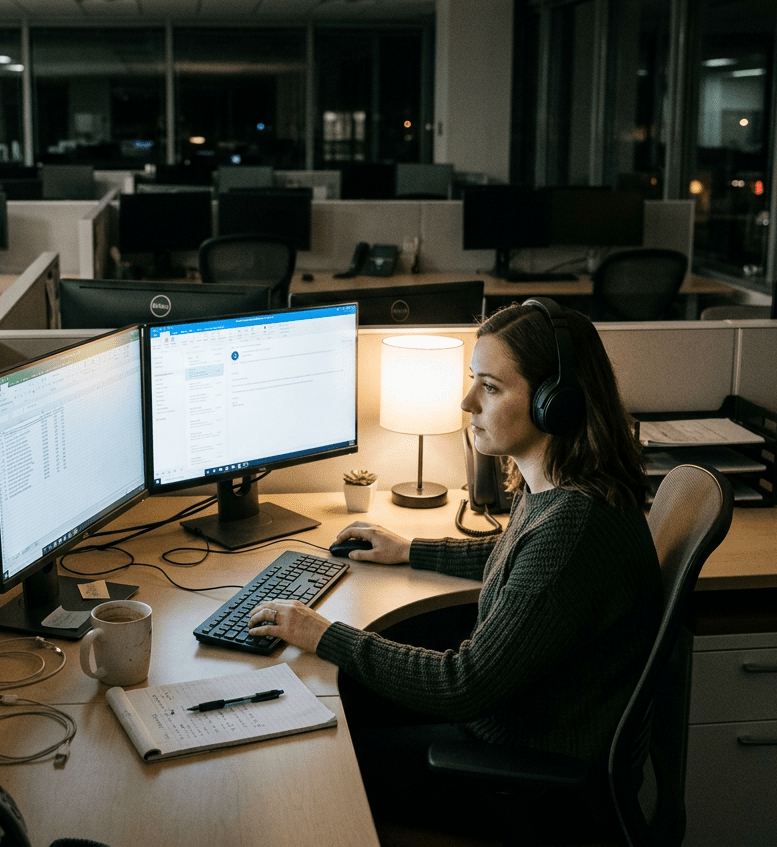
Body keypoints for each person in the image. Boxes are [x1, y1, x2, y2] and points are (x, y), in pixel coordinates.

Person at [247, 298, 662, 842]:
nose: (467, 402)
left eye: (490, 387)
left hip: (518, 777)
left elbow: (462, 684)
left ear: (553, 403)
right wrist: (411, 550)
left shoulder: (573, 528)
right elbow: (515, 565)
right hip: (514, 728)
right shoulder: (561, 491)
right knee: (335, 704)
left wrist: (322, 633)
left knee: (315, 759)